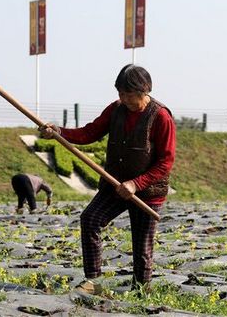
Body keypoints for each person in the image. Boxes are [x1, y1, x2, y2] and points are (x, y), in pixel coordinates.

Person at [40, 64, 176, 295]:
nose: (123, 98)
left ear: (143, 92)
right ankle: (93, 282)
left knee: (142, 246)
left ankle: (141, 291)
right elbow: (89, 132)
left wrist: (136, 184)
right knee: (90, 219)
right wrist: (59, 132)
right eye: (120, 93)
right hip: (115, 184)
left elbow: (166, 161)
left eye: (128, 94)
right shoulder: (116, 109)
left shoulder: (161, 117)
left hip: (147, 191)